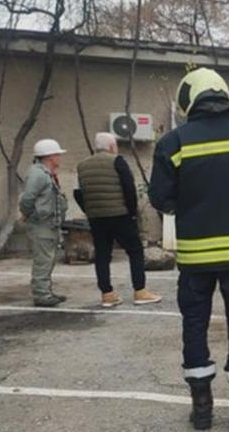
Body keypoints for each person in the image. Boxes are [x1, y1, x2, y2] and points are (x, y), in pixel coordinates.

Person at [148, 68, 229, 432]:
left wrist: (192, 202)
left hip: (196, 256)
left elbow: (160, 198)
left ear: (189, 100)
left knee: (195, 324)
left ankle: (201, 411)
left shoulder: (173, 143)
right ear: (223, 92)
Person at [75, 132, 161, 308]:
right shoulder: (117, 161)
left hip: (96, 217)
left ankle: (107, 294)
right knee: (135, 250)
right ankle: (140, 291)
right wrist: (132, 212)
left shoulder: (82, 166)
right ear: (112, 146)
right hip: (119, 215)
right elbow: (128, 188)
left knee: (103, 254)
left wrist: (89, 210)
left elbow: (79, 193)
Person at [19, 139, 69, 307]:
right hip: (42, 224)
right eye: (57, 155)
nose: (60, 158)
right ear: (50, 157)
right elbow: (27, 198)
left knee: (48, 259)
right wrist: (27, 213)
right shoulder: (38, 174)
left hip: (49, 223)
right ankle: (41, 295)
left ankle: (46, 291)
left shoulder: (46, 173)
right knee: (43, 260)